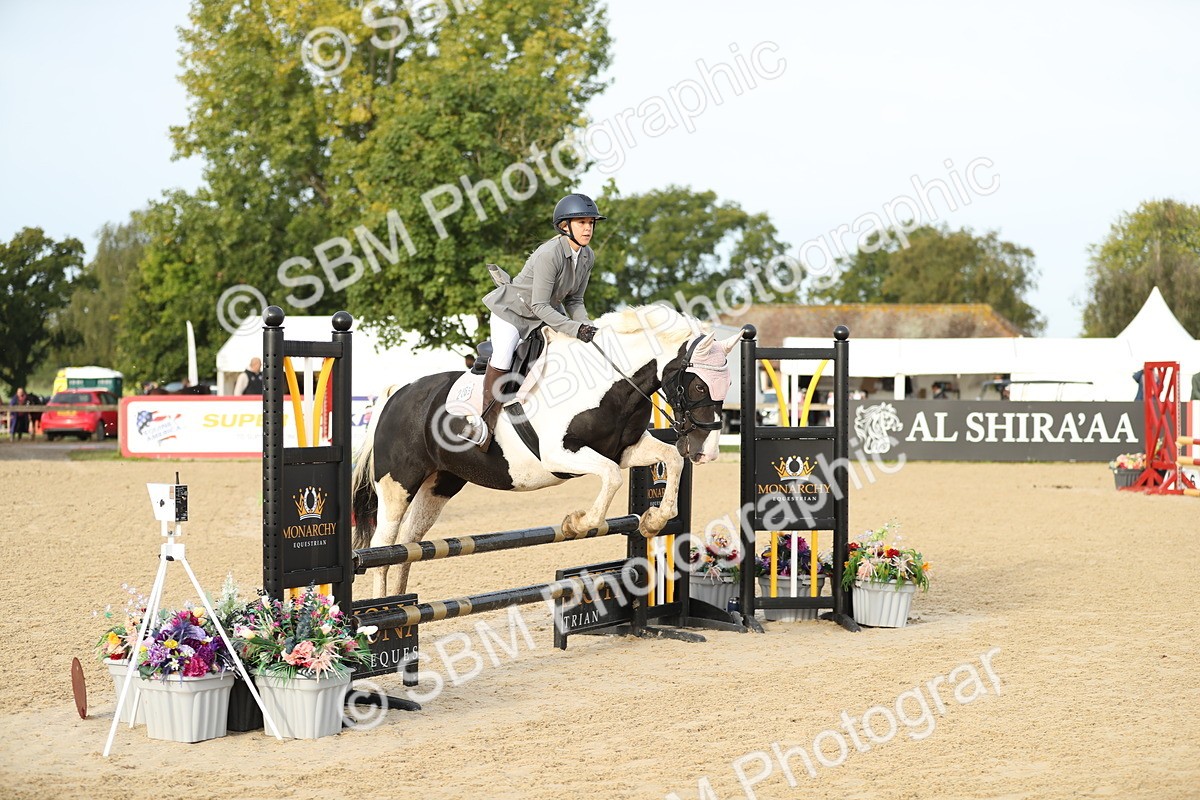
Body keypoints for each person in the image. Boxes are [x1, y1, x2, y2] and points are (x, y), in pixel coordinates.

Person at [471, 193, 605, 450]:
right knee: (503, 356)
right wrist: (575, 329)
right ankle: (484, 423)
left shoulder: (588, 256)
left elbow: (575, 301)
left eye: (591, 223)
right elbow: (539, 304)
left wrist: (587, 327)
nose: (588, 228)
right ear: (564, 226)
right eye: (581, 223)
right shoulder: (549, 254)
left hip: (543, 317)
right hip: (512, 313)